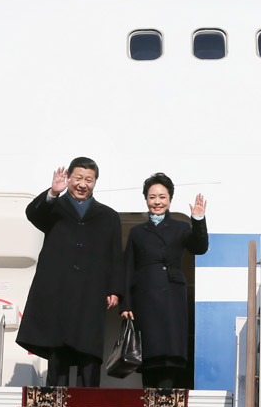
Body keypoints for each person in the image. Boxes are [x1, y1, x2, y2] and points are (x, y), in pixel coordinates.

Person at [16, 157, 125, 387]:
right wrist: (53, 192)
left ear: (95, 182)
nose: (82, 184)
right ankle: (55, 401)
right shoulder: (54, 207)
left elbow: (116, 255)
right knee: (58, 348)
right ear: (69, 178)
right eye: (78, 178)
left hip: (91, 290)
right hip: (58, 289)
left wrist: (115, 289)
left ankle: (89, 404)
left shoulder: (109, 216)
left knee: (89, 350)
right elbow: (33, 214)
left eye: (89, 179)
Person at [121, 173, 208, 388]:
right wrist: (126, 304)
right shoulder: (137, 232)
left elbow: (200, 247)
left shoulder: (181, 227)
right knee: (149, 356)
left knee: (170, 356)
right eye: (152, 197)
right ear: (146, 199)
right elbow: (127, 269)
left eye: (162, 197)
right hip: (145, 299)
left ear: (170, 199)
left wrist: (197, 220)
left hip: (172, 297)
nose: (157, 202)